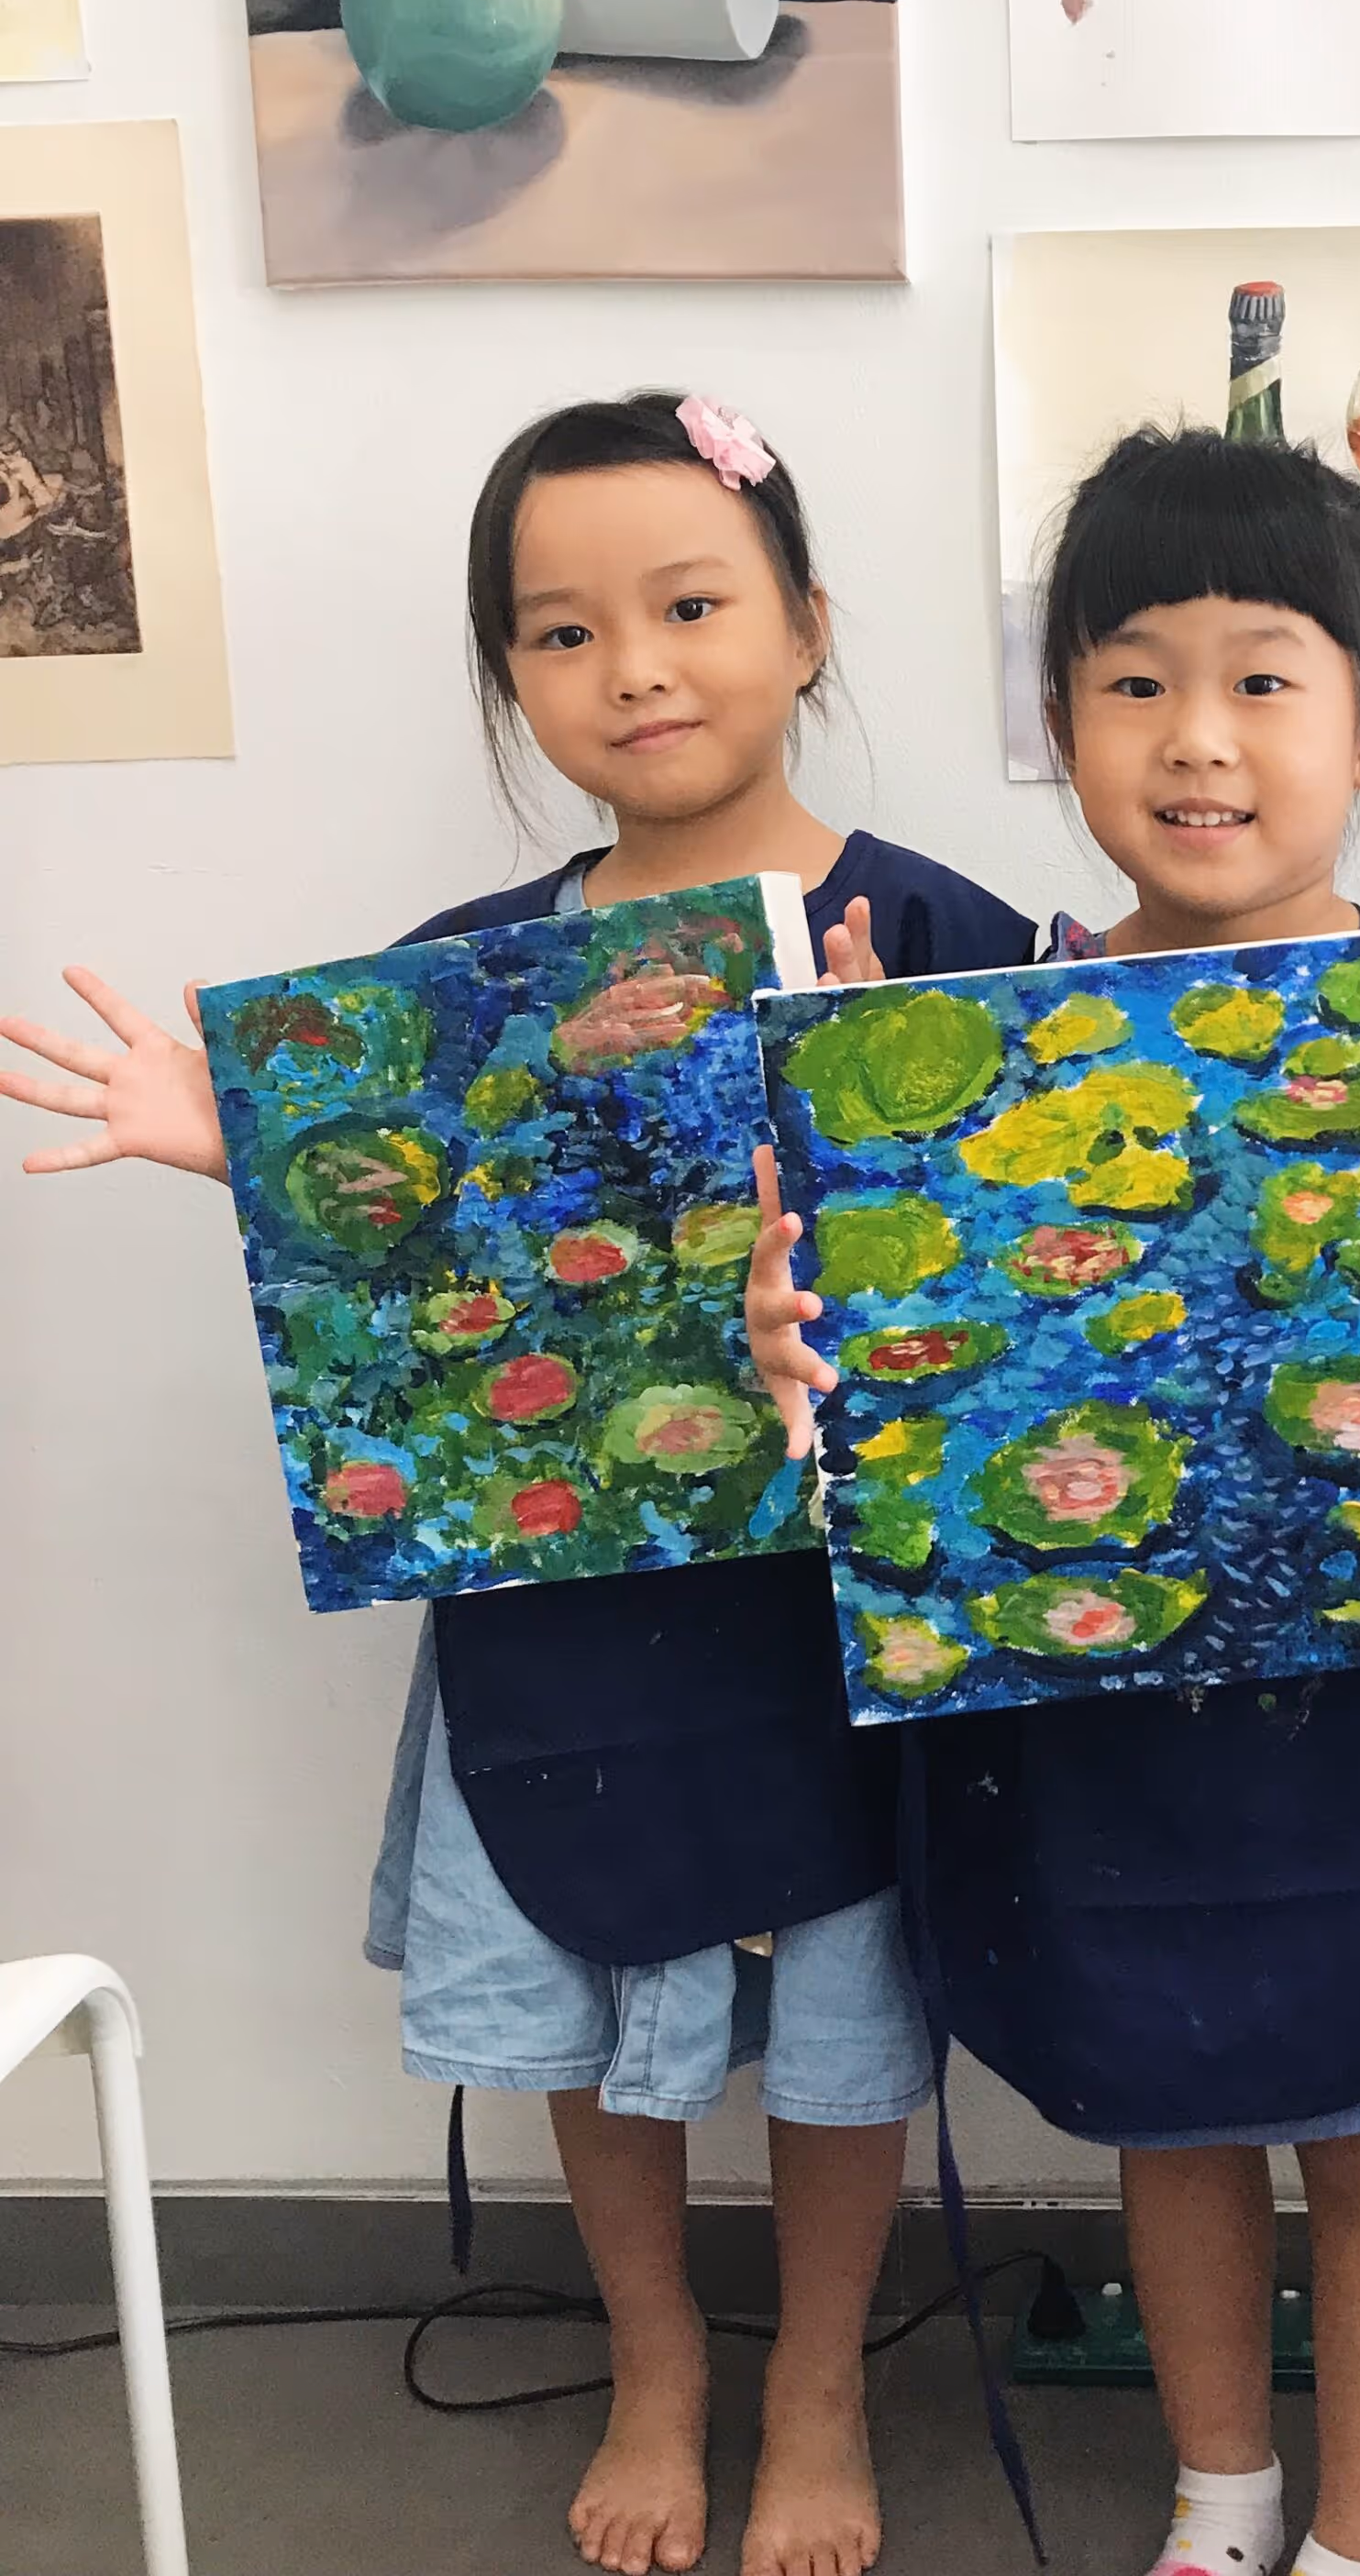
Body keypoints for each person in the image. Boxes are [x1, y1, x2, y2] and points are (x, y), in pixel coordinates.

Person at [0, 392, 1035, 2576]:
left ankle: (824, 2378)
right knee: (583, 1970)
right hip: (561, 1615)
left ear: (808, 624)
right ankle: (656, 2359)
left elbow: (1031, 1313)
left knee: (846, 2017)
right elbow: (414, 1284)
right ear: (513, 683)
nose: (634, 666)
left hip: (838, 1620)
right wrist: (255, 1153)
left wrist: (889, 1121)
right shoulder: (462, 971)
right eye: (561, 634)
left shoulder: (948, 931)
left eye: (688, 605)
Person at [749, 426, 1360, 2576]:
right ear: (1060, 729)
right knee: (1171, 2103)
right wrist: (814, 1347)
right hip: (1100, 1712)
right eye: (1134, 681)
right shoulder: (968, 1044)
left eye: (1264, 680)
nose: (1199, 740)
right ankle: (1222, 2502)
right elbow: (896, 1412)